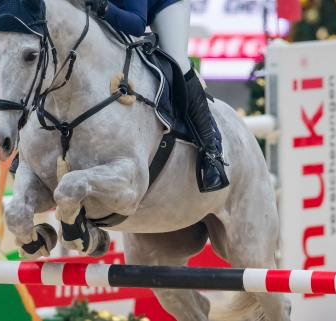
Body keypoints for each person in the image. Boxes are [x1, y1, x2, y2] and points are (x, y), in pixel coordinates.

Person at [86, 0, 229, 192]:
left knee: (176, 61)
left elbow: (137, 24)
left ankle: (211, 153)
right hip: (122, 7)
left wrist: (104, 7)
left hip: (163, 5)